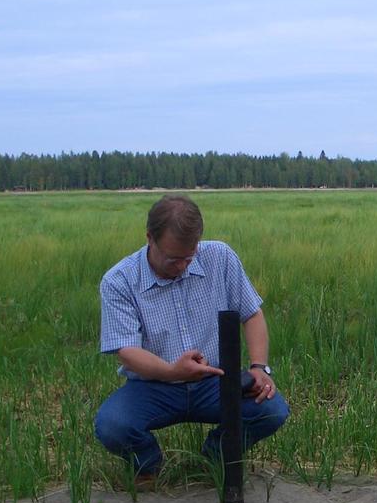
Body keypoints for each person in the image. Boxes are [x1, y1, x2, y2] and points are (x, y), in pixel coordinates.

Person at [94, 194, 289, 480]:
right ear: (150, 238)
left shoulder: (220, 257)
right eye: (173, 259)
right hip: (153, 386)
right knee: (113, 425)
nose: (183, 266)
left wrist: (259, 368)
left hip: (215, 381)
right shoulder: (119, 280)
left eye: (190, 256)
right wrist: (173, 371)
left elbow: (252, 314)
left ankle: (214, 456)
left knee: (272, 409)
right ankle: (148, 466)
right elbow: (126, 351)